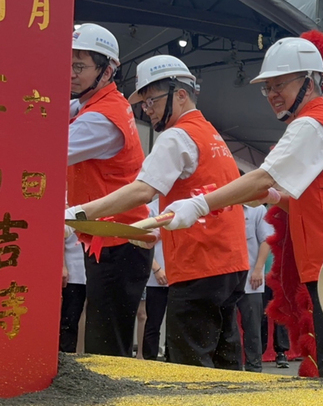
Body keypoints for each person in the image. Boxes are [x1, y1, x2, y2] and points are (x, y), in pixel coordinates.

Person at [160, 37, 323, 383]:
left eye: (280, 84)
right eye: (268, 87)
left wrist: (199, 204)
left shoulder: (310, 124)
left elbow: (264, 177)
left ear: (310, 81)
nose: (273, 94)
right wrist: (277, 198)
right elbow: (314, 193)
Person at [64, 54, 249, 369]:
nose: (146, 111)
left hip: (198, 263)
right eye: (144, 104)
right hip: (230, 263)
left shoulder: (176, 136)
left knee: (190, 365)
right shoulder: (211, 133)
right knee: (226, 359)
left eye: (151, 101)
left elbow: (142, 190)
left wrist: (79, 214)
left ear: (179, 94)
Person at [64, 23, 152, 357]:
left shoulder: (102, 118)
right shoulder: (92, 105)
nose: (71, 74)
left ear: (108, 70)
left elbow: (44, 148)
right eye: (67, 64)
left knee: (106, 343)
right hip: (111, 238)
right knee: (102, 331)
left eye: (80, 66)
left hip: (119, 240)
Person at [130, 199, 169, 361]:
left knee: (175, 325)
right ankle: (149, 358)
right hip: (156, 278)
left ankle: (172, 360)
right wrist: (157, 269)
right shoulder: (150, 211)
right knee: (152, 322)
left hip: (178, 275)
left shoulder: (183, 205)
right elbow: (142, 243)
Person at [238, 204, 274, 372]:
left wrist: (258, 269)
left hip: (250, 278)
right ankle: (230, 366)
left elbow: (267, 239)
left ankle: (254, 366)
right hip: (225, 279)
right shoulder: (220, 206)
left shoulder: (256, 209)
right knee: (226, 326)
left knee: (252, 326)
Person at [59, 233, 86, 353]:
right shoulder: (68, 214)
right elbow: (58, 239)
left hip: (98, 273)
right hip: (74, 273)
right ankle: (66, 355)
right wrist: (62, 266)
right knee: (69, 319)